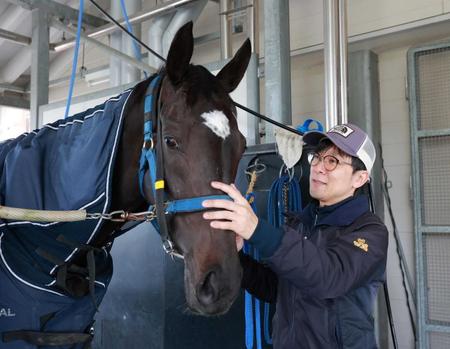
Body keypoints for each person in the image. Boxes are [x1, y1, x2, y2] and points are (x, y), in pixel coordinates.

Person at [202, 123, 389, 349]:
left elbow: (328, 276)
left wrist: (256, 229)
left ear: (359, 179)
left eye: (332, 161)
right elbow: (278, 289)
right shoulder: (301, 222)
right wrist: (237, 257)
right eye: (317, 158)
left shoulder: (370, 232)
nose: (319, 168)